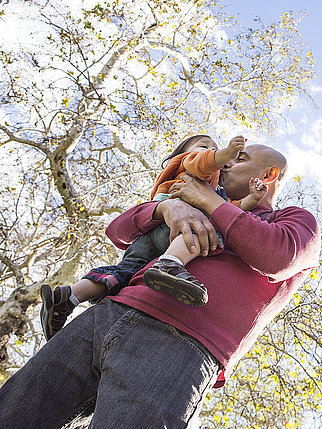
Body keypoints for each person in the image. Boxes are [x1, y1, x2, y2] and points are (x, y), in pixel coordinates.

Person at [0, 143, 320, 429]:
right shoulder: (188, 201)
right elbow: (119, 231)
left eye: (239, 159)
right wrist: (166, 208)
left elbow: (279, 255)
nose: (224, 166)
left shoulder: (293, 219)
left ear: (269, 175)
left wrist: (208, 201)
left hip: (182, 345)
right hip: (104, 317)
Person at [40, 134, 268, 340]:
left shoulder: (212, 190)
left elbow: (230, 209)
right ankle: (171, 264)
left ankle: (67, 297)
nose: (210, 150)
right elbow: (203, 163)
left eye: (212, 148)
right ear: (183, 154)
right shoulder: (192, 166)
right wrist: (224, 153)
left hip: (148, 234)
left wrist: (252, 199)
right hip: (173, 227)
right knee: (205, 230)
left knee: (124, 271)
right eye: (204, 145)